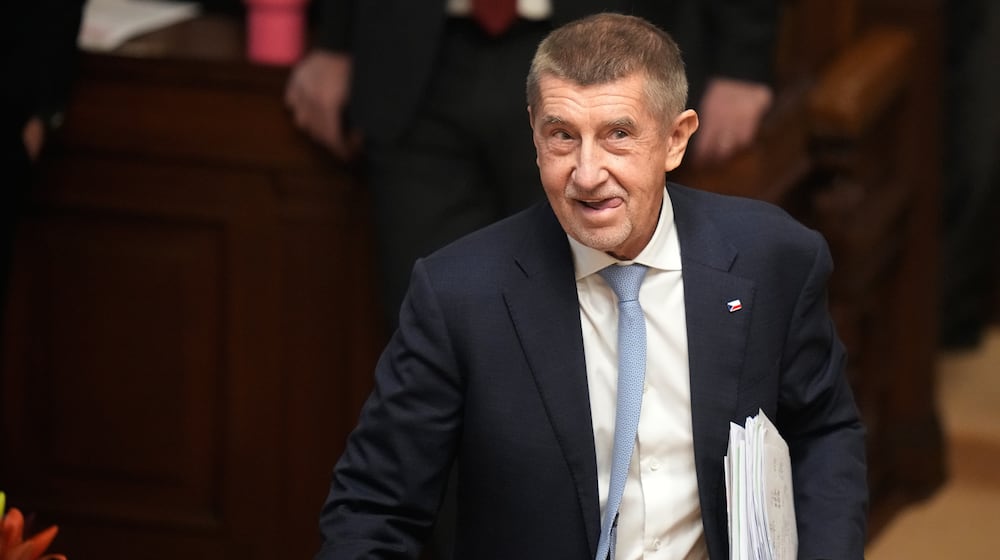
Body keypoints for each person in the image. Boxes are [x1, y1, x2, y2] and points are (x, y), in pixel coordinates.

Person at [314, 13, 867, 559]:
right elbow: (373, 511)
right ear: (534, 135)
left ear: (676, 139)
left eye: (618, 135)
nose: (586, 173)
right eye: (561, 136)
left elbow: (823, 433)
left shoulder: (773, 259)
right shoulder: (460, 295)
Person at [286, 0, 778, 327]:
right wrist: (336, 37)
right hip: (414, 62)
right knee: (427, 326)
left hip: (600, 62)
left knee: (583, 325)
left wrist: (744, 60)